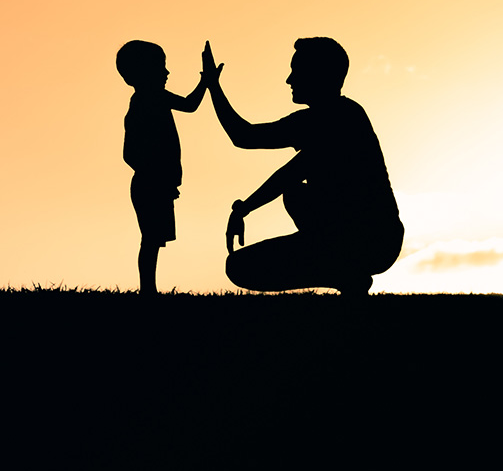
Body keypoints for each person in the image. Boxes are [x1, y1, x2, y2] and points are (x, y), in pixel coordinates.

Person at [202, 38, 404, 296]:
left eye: (296, 71)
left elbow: (244, 137)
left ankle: (345, 273)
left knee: (241, 266)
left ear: (319, 75)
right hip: (378, 241)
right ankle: (345, 273)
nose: (289, 80)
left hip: (369, 240)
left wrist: (212, 86)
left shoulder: (330, 120)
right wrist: (244, 208)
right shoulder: (342, 116)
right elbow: (289, 173)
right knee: (244, 259)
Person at [117, 41, 208, 296]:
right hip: (149, 183)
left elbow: (189, 105)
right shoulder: (147, 100)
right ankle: (148, 290)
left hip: (155, 182)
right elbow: (130, 153)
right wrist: (206, 82)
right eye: (160, 67)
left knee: (153, 239)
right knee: (150, 239)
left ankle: (149, 289)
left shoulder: (151, 99)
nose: (167, 73)